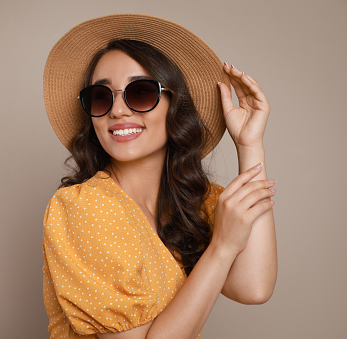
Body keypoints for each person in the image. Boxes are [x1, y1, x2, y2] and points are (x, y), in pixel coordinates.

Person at [42, 14, 277, 339]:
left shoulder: (197, 201)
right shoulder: (82, 208)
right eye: (101, 96)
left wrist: (250, 146)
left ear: (174, 105)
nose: (117, 111)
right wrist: (221, 247)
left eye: (139, 93)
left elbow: (254, 287)